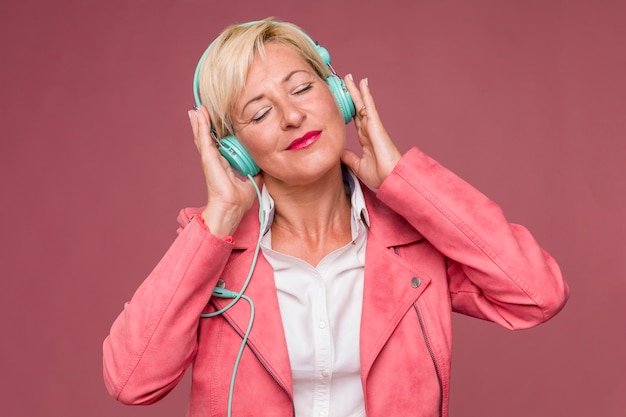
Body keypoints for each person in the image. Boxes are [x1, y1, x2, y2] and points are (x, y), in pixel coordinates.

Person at [103, 18, 569, 417]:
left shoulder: (414, 243)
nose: (292, 115)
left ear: (338, 94)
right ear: (235, 150)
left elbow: (538, 295)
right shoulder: (210, 253)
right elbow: (132, 381)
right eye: (260, 112)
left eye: (302, 88)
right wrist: (221, 216)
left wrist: (406, 181)